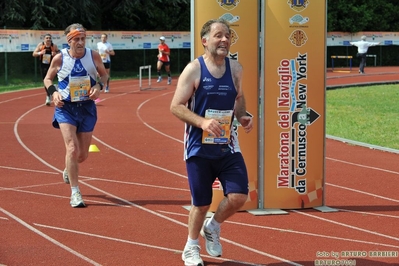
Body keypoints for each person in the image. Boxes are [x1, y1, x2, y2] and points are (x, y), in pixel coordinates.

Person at [170, 19, 253, 266]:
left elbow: (238, 98)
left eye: (227, 36)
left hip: (227, 145)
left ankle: (213, 226)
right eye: (218, 36)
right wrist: (203, 122)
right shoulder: (194, 70)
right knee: (202, 202)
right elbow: (175, 106)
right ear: (205, 40)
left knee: (239, 196)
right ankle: (190, 247)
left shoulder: (236, 69)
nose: (224, 40)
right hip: (198, 147)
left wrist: (243, 115)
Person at [43, 23, 108, 208]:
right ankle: (75, 192)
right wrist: (53, 93)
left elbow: (103, 76)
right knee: (71, 148)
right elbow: (48, 78)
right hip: (66, 108)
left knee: (82, 155)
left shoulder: (93, 55)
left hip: (87, 108)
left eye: (83, 39)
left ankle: (68, 168)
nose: (80, 42)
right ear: (69, 40)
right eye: (76, 39)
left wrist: (98, 86)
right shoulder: (59, 58)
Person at [32, 33, 60, 105]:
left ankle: (48, 96)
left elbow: (60, 53)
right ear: (44, 39)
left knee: (49, 79)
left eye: (49, 38)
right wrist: (40, 53)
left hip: (52, 65)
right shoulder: (41, 45)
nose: (48, 39)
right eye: (46, 38)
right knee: (44, 80)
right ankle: (51, 91)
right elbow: (34, 54)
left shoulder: (54, 46)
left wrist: (55, 54)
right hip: (43, 65)